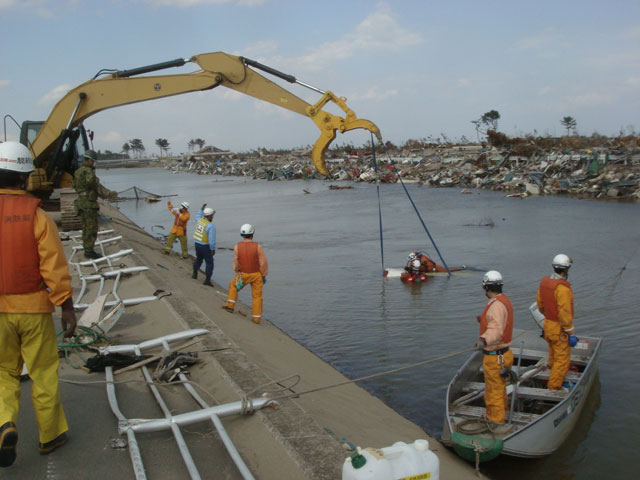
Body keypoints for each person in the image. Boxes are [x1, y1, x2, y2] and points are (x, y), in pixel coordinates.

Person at [0, 142, 77, 467]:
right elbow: (53, 266)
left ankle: (5, 422)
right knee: (43, 371)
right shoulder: (38, 216)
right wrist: (67, 306)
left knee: (3, 371)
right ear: (26, 177)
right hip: (33, 309)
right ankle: (50, 435)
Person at [473, 270, 514, 425]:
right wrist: (483, 319)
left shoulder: (496, 306)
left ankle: (495, 423)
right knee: (500, 388)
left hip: (495, 358)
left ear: (486, 287)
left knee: (493, 392)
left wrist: (483, 340)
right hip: (504, 355)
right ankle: (504, 412)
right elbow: (497, 323)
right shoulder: (503, 301)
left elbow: (496, 330)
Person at [537, 254, 577, 390]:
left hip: (548, 325)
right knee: (562, 360)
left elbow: (540, 305)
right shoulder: (563, 289)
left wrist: (548, 315)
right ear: (566, 270)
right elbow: (564, 314)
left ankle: (551, 375)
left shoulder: (544, 282)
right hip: (559, 329)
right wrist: (570, 332)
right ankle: (553, 388)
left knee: (553, 353)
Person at [222, 224, 268, 324]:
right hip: (256, 275)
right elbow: (263, 262)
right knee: (257, 297)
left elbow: (236, 262)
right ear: (252, 234)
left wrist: (237, 270)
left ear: (242, 235)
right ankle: (256, 318)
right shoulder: (258, 246)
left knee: (233, 285)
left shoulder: (237, 246)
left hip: (243, 274)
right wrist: (263, 275)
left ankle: (230, 306)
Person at [72, 149, 100, 259]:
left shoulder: (78, 171)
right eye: (93, 161)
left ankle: (86, 247)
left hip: (80, 202)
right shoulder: (88, 171)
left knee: (85, 226)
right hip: (88, 203)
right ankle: (89, 250)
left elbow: (74, 185)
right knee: (91, 227)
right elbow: (91, 182)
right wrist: (96, 182)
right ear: (89, 160)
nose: (93, 164)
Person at [192, 204, 216, 286]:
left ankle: (194, 273)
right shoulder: (210, 226)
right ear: (209, 216)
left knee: (199, 259)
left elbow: (197, 216)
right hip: (205, 246)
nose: (212, 217)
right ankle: (207, 280)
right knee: (209, 262)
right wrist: (212, 249)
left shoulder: (199, 220)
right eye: (212, 216)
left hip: (197, 243)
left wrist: (201, 209)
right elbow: (211, 240)